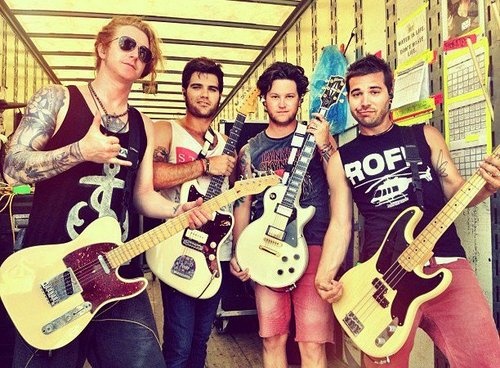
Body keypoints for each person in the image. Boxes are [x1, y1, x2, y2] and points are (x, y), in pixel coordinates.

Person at [2, 16, 210, 368]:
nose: (136, 55)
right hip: (51, 273)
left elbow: (141, 195)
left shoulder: (143, 123)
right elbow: (12, 166)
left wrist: (178, 212)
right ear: (102, 47)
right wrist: (80, 151)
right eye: (126, 44)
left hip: (117, 274)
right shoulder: (59, 98)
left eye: (144, 52)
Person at [315, 54, 500, 367]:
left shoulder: (424, 136)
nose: (364, 101)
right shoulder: (340, 159)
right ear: (348, 99)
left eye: (374, 91)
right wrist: (325, 273)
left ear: (390, 93)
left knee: (484, 359)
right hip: (380, 279)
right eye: (356, 93)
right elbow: (341, 223)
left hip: (444, 264)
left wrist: (488, 187)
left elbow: (458, 192)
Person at [230, 61, 336, 368]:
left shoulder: (317, 138)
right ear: (263, 99)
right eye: (275, 96)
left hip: (313, 244)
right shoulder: (250, 150)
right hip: (265, 247)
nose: (281, 103)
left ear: (300, 100)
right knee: (272, 338)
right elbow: (243, 203)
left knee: (312, 342)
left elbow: (339, 183)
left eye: (289, 96)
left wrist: (326, 144)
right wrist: (240, 251)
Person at [151, 57, 236, 368]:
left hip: (215, 252)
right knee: (179, 342)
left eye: (212, 88)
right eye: (197, 86)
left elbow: (233, 198)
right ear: (184, 90)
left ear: (219, 95)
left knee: (201, 341)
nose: (204, 94)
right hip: (178, 247)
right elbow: (155, 177)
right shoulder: (166, 130)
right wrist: (203, 165)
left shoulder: (226, 144)